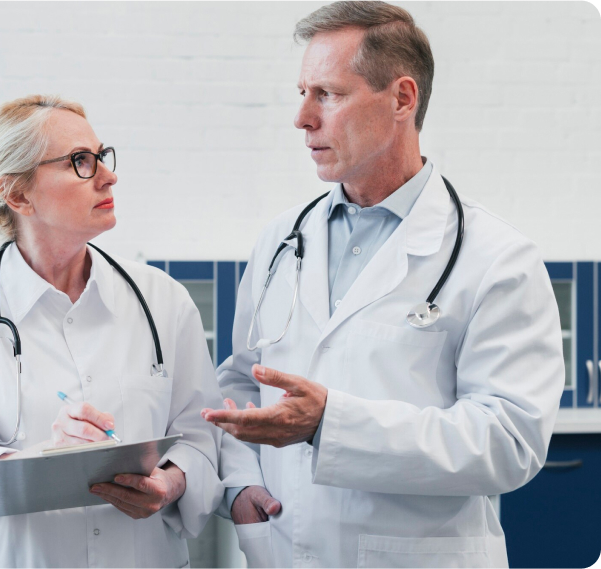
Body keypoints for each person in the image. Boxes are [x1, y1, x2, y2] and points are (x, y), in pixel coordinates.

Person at [203, 2, 564, 567]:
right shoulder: (281, 241)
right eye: (302, 92)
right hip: (281, 549)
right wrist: (240, 487)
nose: (302, 118)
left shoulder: (497, 257)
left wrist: (330, 423)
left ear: (402, 99)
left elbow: (508, 441)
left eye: (328, 94)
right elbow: (241, 384)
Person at [0, 94, 236, 568]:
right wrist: (46, 462)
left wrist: (169, 483)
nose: (108, 175)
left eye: (102, 155)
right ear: (17, 195)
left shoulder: (162, 300)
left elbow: (200, 436)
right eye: (80, 161)